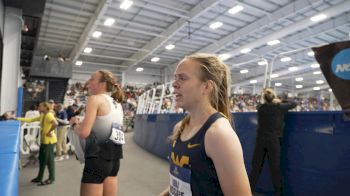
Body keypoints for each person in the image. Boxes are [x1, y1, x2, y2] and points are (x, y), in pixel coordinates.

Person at [159, 53, 251, 196]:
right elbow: (183, 183)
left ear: (207, 87)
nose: (174, 84)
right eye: (175, 78)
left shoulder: (218, 134)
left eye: (182, 78)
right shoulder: (180, 128)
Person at [69, 70, 124, 196]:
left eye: (92, 79)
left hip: (97, 160)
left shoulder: (95, 99)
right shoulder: (117, 104)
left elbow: (84, 133)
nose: (88, 83)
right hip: (114, 160)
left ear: (103, 83)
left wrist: (74, 124)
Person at [249, 88, 297, 196]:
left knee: (256, 168)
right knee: (275, 169)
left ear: (264, 98)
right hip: (273, 141)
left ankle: (248, 191)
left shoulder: (260, 108)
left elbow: (261, 105)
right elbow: (294, 103)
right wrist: (281, 101)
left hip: (260, 141)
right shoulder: (279, 107)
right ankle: (278, 193)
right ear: (274, 97)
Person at [17, 102, 58, 185]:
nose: (38, 107)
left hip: (49, 142)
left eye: (40, 106)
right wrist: (17, 118)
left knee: (49, 161)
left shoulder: (49, 115)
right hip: (44, 141)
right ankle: (40, 177)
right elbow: (30, 120)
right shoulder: (43, 115)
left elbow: (55, 124)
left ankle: (51, 178)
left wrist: (49, 131)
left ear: (45, 107)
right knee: (42, 160)